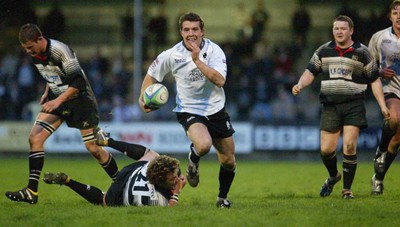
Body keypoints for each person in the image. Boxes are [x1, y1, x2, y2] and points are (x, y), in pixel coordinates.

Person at [5, 24, 119, 204]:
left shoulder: (60, 51)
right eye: (25, 49)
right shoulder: (36, 54)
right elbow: (52, 74)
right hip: (57, 100)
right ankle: (31, 192)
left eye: (30, 47)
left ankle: (121, 183)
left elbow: (79, 82)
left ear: (39, 39)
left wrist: (57, 100)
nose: (28, 52)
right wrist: (46, 92)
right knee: (34, 138)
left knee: (94, 148)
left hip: (81, 102)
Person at [138, 12, 236, 208]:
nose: (191, 33)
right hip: (189, 109)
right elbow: (151, 74)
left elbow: (220, 80)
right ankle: (193, 160)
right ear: (180, 32)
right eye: (186, 30)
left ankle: (221, 198)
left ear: (202, 31)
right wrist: (143, 99)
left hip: (216, 109)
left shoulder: (215, 51)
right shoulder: (171, 55)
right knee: (203, 145)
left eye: (195, 29)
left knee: (229, 161)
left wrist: (197, 60)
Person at [292, 15, 389, 199]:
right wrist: (300, 85)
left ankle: (347, 190)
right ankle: (333, 176)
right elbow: (310, 71)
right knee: (326, 150)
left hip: (354, 104)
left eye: (343, 28)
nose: (339, 31)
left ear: (351, 31)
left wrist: (382, 105)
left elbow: (374, 80)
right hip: (330, 105)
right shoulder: (323, 50)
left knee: (350, 146)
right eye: (336, 28)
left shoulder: (363, 52)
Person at [43, 129, 186, 207]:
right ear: (160, 181)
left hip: (131, 172)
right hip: (121, 193)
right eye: (173, 178)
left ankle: (108, 141)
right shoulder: (156, 200)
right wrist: (177, 192)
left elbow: (165, 172)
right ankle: (68, 181)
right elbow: (171, 207)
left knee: (152, 155)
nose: (177, 179)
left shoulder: (154, 171)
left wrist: (175, 180)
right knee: (102, 200)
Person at [369, 0, 400, 195]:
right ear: (390, 16)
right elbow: (368, 68)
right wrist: (380, 72)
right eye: (396, 12)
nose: (399, 16)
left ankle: (378, 179)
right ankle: (380, 150)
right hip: (390, 89)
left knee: (397, 140)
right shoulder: (379, 37)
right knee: (394, 118)